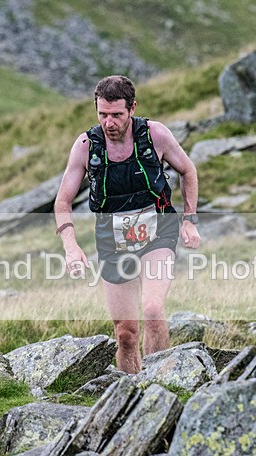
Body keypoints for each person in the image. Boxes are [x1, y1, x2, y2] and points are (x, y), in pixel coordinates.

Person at [54, 75, 201, 373]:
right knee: (126, 334)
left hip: (158, 231)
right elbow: (62, 202)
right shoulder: (86, 147)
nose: (109, 123)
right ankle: (130, 398)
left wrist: (189, 219)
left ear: (132, 108)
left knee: (152, 310)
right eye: (103, 114)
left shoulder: (155, 135)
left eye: (117, 115)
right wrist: (71, 247)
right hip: (112, 240)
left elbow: (188, 171)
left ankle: (160, 388)